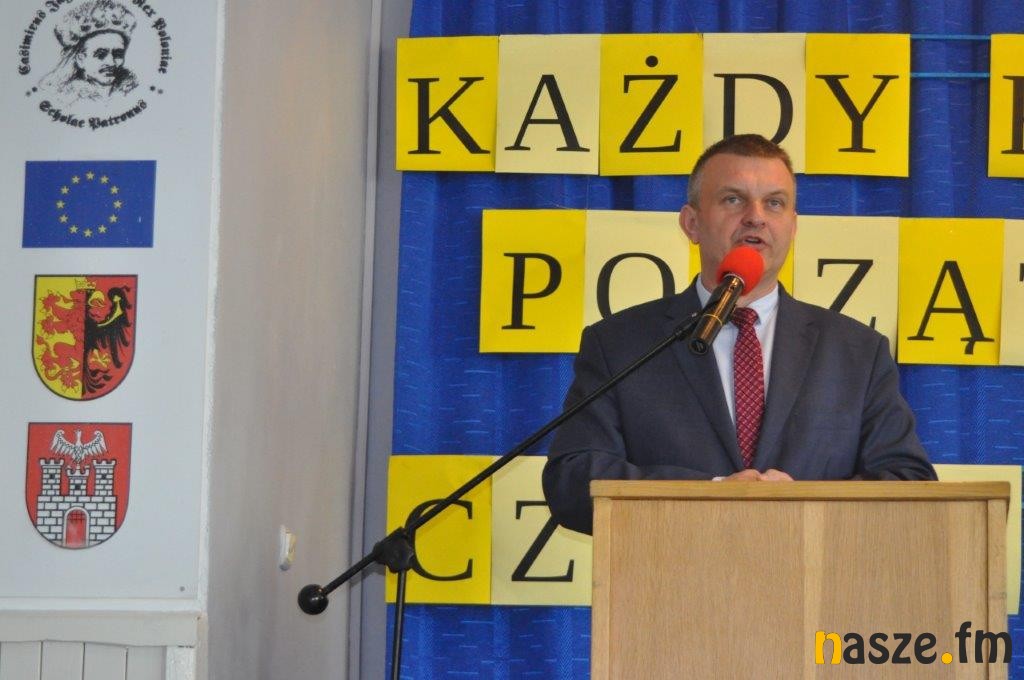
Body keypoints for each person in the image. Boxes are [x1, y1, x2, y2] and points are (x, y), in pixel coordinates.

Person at [542, 134, 936, 535]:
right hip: (674, 569)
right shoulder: (621, 344)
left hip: (816, 570)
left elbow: (910, 482)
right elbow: (572, 480)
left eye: (774, 203)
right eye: (733, 199)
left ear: (793, 226)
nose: (756, 217)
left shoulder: (857, 352)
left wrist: (807, 501)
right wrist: (710, 494)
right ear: (691, 224)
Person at [37, 0, 139, 106]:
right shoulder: (65, 100)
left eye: (118, 54)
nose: (111, 62)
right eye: (101, 55)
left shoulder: (132, 92)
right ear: (80, 60)